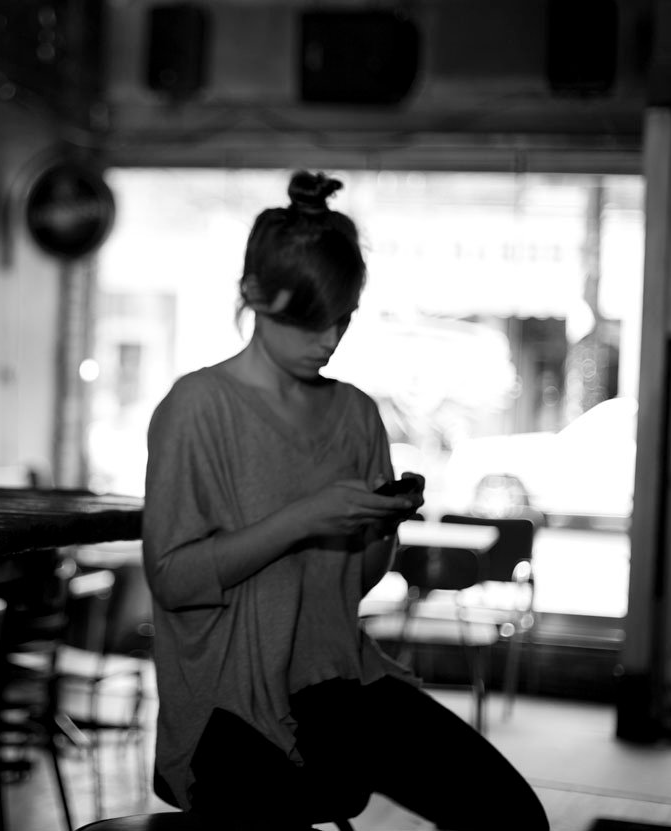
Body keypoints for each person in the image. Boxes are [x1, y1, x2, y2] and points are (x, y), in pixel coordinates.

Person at [142, 171, 549, 831]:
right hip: (229, 703)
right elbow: (173, 580)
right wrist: (305, 519)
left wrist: (377, 526)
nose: (329, 339)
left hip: (336, 675)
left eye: (343, 318)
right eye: (311, 320)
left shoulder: (356, 414)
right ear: (254, 295)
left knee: (512, 816)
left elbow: (349, 588)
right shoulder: (198, 407)